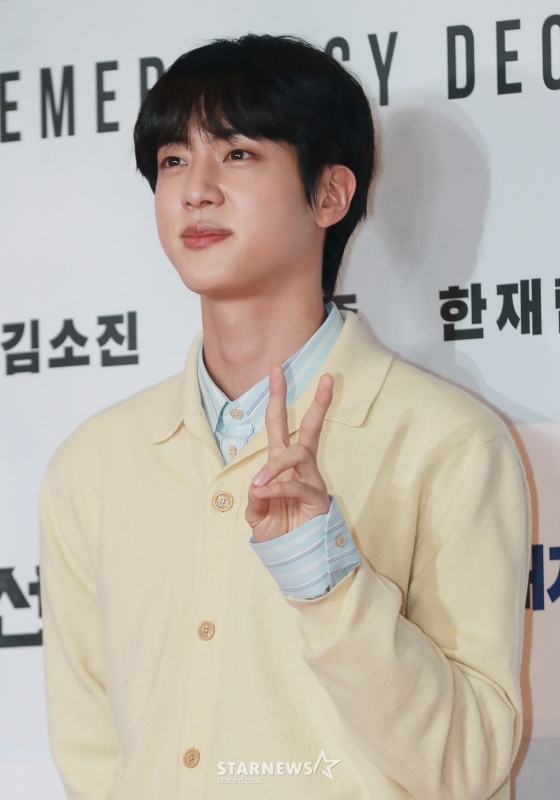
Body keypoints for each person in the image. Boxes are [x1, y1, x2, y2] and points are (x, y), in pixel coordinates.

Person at [40, 34, 530, 800]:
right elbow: (95, 754)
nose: (195, 190)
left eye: (237, 154)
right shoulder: (95, 463)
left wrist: (323, 573)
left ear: (330, 195)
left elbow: (465, 766)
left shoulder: (446, 443)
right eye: (173, 159)